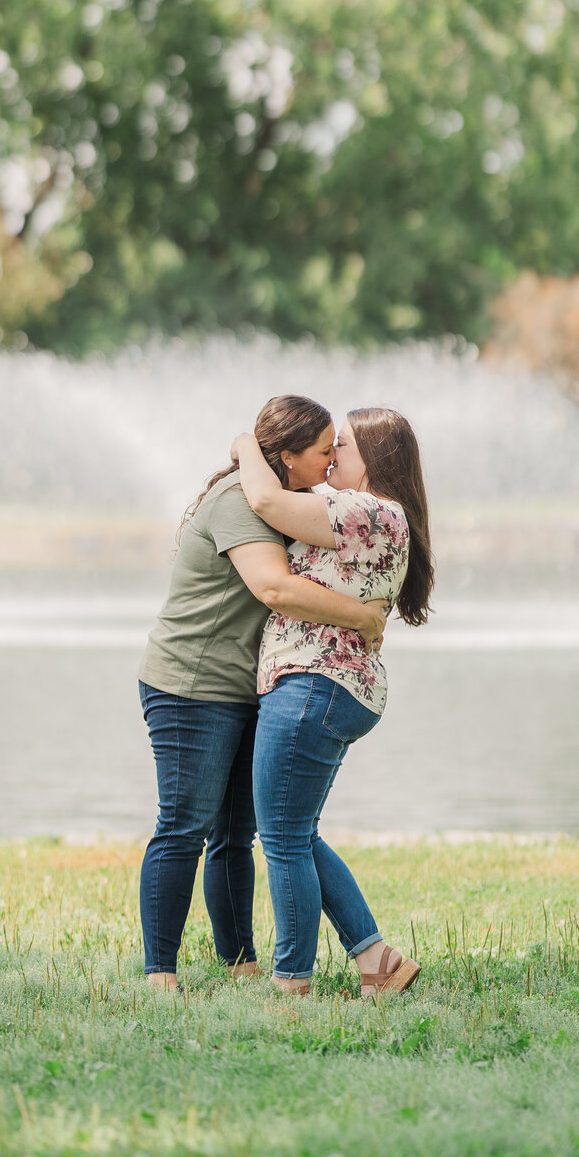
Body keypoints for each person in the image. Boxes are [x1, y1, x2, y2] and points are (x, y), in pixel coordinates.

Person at [137, 395, 390, 990]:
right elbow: (275, 588)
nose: (332, 463)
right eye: (324, 451)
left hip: (250, 691)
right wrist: (364, 618)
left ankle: (241, 961)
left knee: (235, 833)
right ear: (285, 456)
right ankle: (159, 973)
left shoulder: (293, 501)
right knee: (184, 825)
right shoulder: (240, 503)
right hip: (191, 685)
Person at [233, 407, 434, 998]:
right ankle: (378, 960)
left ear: (376, 459)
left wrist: (245, 441)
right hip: (331, 689)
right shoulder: (383, 515)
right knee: (295, 831)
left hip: (312, 684)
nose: (330, 455)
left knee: (285, 839)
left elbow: (267, 504)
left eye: (341, 445)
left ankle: (291, 982)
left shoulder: (366, 509)